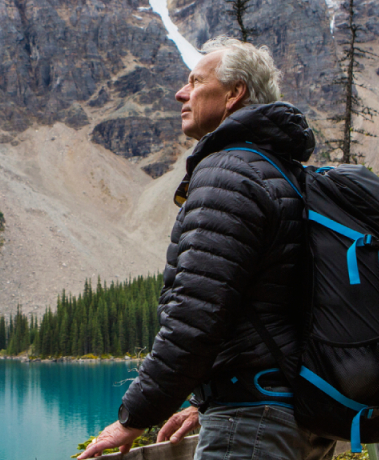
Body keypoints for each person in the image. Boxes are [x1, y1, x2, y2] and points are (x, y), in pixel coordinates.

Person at [78, 37, 333, 460]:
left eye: (195, 82)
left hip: (253, 422)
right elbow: (266, 305)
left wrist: (132, 419)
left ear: (234, 94)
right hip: (297, 413)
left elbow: (197, 313)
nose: (181, 93)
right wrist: (202, 400)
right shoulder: (281, 172)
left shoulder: (228, 171)